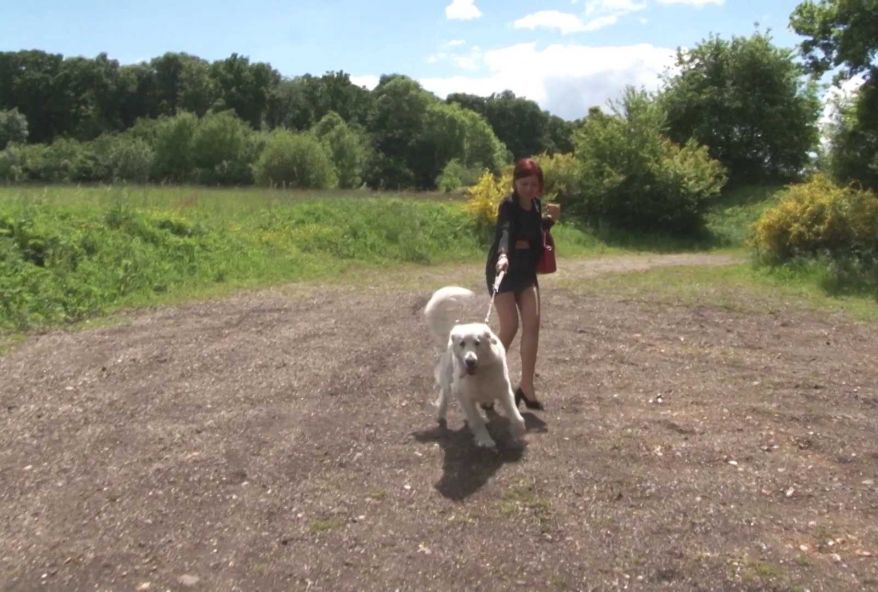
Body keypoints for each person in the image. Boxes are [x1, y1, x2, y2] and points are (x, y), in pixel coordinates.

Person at [485, 158, 556, 411]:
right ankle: (487, 378)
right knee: (510, 327)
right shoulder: (508, 205)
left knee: (533, 325)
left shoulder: (537, 206)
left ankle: (526, 386)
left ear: (540, 186)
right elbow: (505, 231)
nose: (528, 188)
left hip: (526, 273)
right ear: (515, 183)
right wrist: (504, 255)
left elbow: (535, 234)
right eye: (524, 183)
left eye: (533, 184)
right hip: (502, 270)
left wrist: (549, 221)